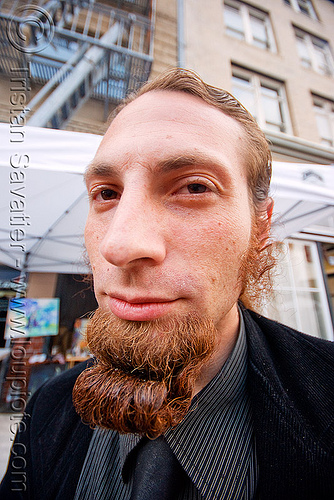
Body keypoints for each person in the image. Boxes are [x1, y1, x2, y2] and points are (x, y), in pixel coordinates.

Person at [1, 68, 334, 500]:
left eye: (194, 186)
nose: (119, 246)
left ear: (260, 227)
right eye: (106, 193)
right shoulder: (47, 409)